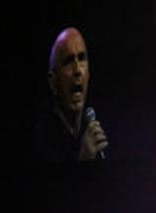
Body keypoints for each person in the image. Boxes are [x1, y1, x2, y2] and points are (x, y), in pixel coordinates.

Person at [35, 27, 109, 162]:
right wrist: (83, 160)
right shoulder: (43, 136)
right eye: (69, 62)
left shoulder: (100, 123)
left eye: (81, 59)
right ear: (53, 81)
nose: (77, 70)